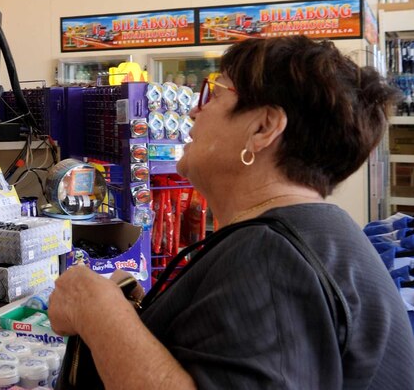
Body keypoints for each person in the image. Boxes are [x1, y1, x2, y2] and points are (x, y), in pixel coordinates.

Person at [49, 36, 414, 389]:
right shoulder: (307, 236)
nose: (194, 110)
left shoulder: (274, 256)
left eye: (214, 93)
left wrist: (96, 309)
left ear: (263, 127)